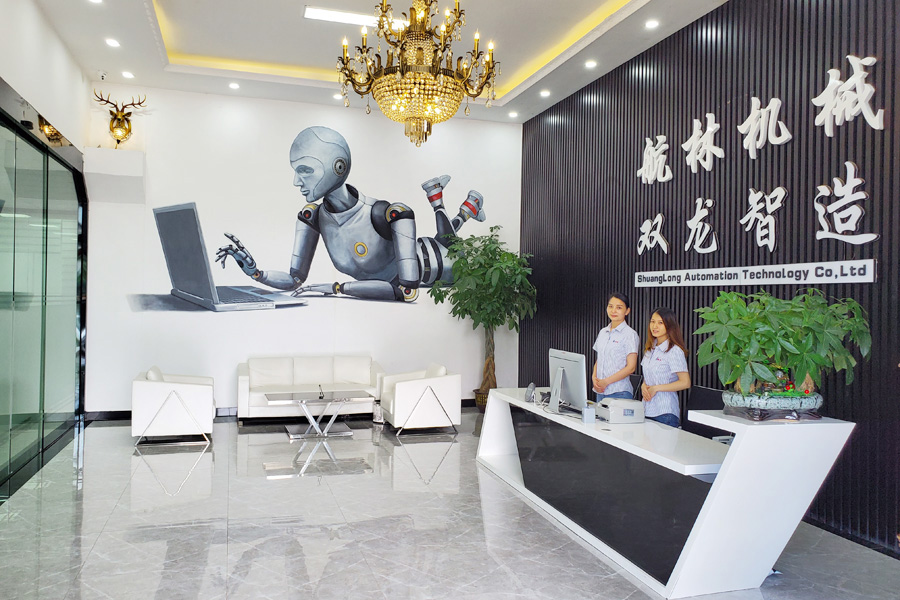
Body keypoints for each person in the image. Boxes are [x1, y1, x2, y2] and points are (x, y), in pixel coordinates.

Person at [215, 127, 485, 302]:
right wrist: (256, 273)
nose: (296, 182)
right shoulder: (312, 217)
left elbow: (407, 290)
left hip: (445, 267)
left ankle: (446, 202)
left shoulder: (386, 213)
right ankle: (459, 206)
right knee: (446, 239)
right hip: (427, 256)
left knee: (449, 245)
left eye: (306, 171)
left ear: (338, 167)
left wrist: (336, 288)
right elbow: (294, 280)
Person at [640, 307, 691, 427]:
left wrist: (656, 388)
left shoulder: (674, 351)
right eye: (652, 322)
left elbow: (685, 382)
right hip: (646, 409)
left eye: (660, 323)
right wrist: (643, 385)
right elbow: (649, 375)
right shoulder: (650, 349)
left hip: (665, 413)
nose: (655, 326)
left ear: (669, 325)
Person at [591, 292, 640, 402]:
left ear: (627, 311)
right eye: (610, 306)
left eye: (619, 308)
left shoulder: (630, 334)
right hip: (600, 391)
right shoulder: (603, 332)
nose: (613, 311)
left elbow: (631, 367)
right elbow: (600, 359)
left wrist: (606, 382)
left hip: (620, 393)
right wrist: (594, 377)